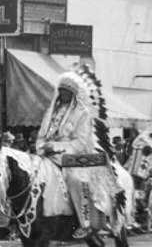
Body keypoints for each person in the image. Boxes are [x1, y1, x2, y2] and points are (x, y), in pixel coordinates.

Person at [36, 69, 120, 238]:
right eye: (61, 90)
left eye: (66, 91)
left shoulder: (82, 112)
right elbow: (41, 136)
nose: (62, 93)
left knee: (74, 179)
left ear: (73, 93)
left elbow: (80, 142)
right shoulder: (51, 111)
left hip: (75, 157)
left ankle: (86, 223)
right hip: (48, 154)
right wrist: (42, 147)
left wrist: (57, 147)